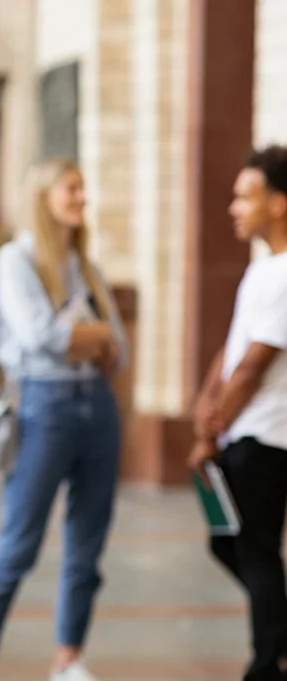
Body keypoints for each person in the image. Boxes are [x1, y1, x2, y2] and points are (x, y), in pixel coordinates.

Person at [0, 158, 128, 681]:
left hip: (97, 409)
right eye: (71, 189)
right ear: (43, 196)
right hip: (43, 408)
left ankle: (68, 657)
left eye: (82, 188)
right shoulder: (18, 259)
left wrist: (92, 340)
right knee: (20, 539)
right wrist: (89, 338)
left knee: (88, 543)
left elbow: (116, 348)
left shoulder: (87, 267)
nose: (82, 198)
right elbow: (39, 337)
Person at [189, 146, 287, 681]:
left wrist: (212, 429)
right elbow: (229, 352)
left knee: (255, 550)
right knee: (230, 541)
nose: (234, 207)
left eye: (245, 197)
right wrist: (207, 406)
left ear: (279, 204)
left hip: (266, 436)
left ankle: (266, 664)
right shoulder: (263, 271)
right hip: (240, 432)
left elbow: (252, 367)